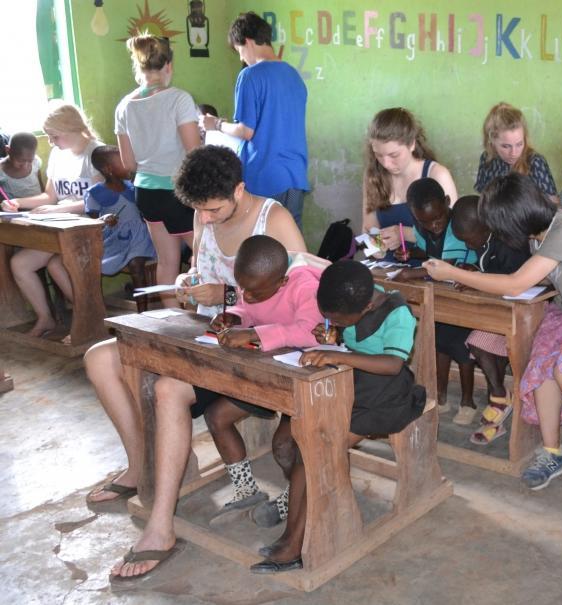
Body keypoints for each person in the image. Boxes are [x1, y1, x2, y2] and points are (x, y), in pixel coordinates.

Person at [107, 146, 305, 580]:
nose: (207, 219)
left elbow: (299, 297)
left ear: (239, 189)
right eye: (200, 211)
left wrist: (229, 296)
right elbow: (200, 271)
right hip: (210, 335)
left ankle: (161, 525)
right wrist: (188, 284)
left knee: (165, 387)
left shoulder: (274, 220)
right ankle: (143, 466)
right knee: (105, 358)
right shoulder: (203, 215)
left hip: (259, 347)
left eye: (214, 209)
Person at [423, 173, 562, 489]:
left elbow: (516, 284)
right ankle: (553, 452)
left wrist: (452, 273)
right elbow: (541, 277)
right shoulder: (545, 227)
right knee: (541, 365)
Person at [253, 260, 426, 573]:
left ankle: (296, 543)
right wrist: (332, 337)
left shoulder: (397, 313)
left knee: (315, 451)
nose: (332, 322)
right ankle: (292, 535)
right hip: (352, 385)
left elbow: (391, 364)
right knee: (300, 446)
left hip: (385, 397)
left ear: (367, 305)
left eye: (337, 319)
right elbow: (349, 336)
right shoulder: (351, 302)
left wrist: (337, 354)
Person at [202, 234, 325, 524]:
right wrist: (233, 316)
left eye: (256, 291)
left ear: (281, 282)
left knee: (284, 445)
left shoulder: (305, 286)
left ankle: (296, 497)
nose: (248, 294)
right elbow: (249, 309)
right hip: (265, 375)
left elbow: (309, 331)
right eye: (243, 287)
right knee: (217, 416)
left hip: (304, 381)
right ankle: (246, 489)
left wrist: (255, 334)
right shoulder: (254, 284)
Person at [4, 103, 103, 338]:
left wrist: (60, 209)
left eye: (53, 136)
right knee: (20, 264)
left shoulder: (95, 153)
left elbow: (98, 202)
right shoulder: (59, 155)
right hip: (58, 227)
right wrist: (18, 202)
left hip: (88, 228)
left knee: (56, 265)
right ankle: (45, 318)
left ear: (68, 129)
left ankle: (87, 319)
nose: (51, 143)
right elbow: (49, 196)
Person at [115, 33, 201, 300]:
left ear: (137, 68)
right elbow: (195, 155)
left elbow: (128, 164)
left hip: (146, 193)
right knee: (204, 255)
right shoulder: (179, 99)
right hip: (179, 193)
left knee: (166, 261)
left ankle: (168, 322)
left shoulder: (124, 107)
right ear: (168, 66)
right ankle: (204, 319)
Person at [202, 12, 308, 228]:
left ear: (248, 42)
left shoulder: (250, 76)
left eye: (239, 50)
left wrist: (216, 124)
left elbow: (246, 130)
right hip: (295, 175)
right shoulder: (294, 75)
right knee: (290, 242)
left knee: (260, 242)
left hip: (265, 174)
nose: (241, 58)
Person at [392, 179, 477, 416]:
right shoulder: (422, 226)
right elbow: (431, 253)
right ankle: (440, 395)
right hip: (441, 296)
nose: (434, 226)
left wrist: (411, 273)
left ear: (447, 203)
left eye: (437, 219)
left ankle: (468, 401)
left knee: (461, 349)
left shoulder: (455, 226)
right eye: (425, 222)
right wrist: (412, 253)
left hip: (465, 295)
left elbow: (446, 265)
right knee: (439, 343)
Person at [449, 195, 531, 431]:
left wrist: (476, 280)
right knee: (475, 341)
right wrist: (474, 271)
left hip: (521, 314)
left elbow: (508, 284)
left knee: (480, 343)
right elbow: (490, 272)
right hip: (497, 313)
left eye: (468, 240)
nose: (467, 246)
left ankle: (500, 397)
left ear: (485, 226)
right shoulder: (485, 241)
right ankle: (500, 395)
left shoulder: (509, 244)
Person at [363, 108, 458, 259]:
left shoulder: (437, 174)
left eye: (394, 155)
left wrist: (403, 234)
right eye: (378, 155)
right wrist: (377, 248)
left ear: (412, 144)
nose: (386, 163)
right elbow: (368, 228)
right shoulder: (373, 176)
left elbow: (454, 236)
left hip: (431, 267)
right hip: (387, 268)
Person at [84, 145, 156, 276]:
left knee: (136, 262)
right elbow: (93, 223)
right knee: (116, 261)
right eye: (123, 161)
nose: (130, 164)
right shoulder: (96, 193)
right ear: (108, 169)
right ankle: (141, 296)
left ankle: (143, 296)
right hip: (117, 239)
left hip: (141, 237)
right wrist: (104, 220)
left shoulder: (133, 186)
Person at [473, 102, 559, 203]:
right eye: (506, 146)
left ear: (525, 138)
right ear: (491, 141)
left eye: (519, 144)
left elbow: (553, 203)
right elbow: (482, 199)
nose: (514, 153)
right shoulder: (487, 159)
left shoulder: (535, 162)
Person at [0, 132, 44, 198]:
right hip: (14, 207)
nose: (25, 166)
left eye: (30, 161)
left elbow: (41, 183)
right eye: (20, 161)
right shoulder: (1, 169)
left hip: (38, 204)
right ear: (8, 150)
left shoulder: (36, 161)